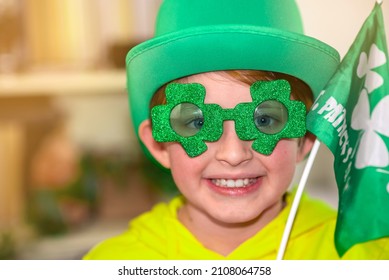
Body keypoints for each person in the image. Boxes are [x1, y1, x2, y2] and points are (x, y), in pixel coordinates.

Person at [83, 0, 389, 259]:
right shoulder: (112, 263)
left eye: (265, 120)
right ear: (159, 145)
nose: (233, 154)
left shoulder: (362, 256)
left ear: (306, 137)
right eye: (197, 122)